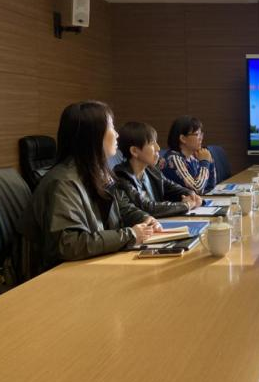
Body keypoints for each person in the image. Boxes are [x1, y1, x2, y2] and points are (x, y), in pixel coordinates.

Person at [22, 101, 160, 274]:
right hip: (54, 275)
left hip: (89, 266)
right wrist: (129, 235)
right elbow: (69, 244)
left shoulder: (95, 172)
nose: (117, 134)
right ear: (93, 136)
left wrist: (144, 218)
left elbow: (122, 208)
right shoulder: (64, 182)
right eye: (111, 126)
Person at [114, 122, 203, 217]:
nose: (158, 148)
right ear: (134, 151)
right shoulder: (121, 176)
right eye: (152, 144)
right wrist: (186, 205)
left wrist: (191, 194)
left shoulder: (152, 171)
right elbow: (146, 207)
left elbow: (173, 188)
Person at [161, 116, 216, 195]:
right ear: (183, 138)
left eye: (201, 134)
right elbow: (197, 189)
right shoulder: (173, 159)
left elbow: (209, 186)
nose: (201, 138)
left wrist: (210, 161)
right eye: (197, 134)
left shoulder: (193, 158)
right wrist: (205, 162)